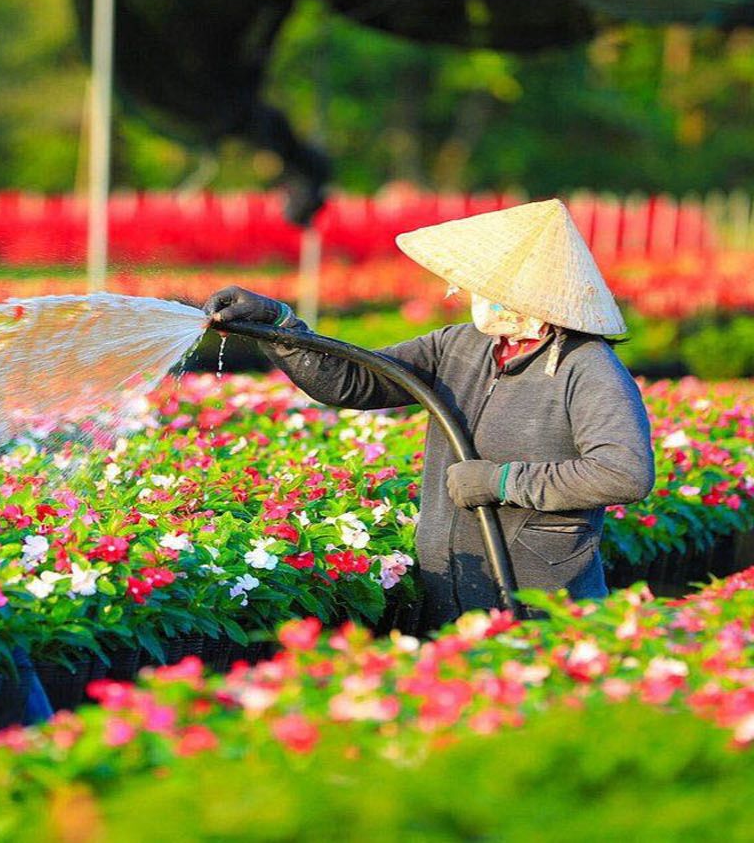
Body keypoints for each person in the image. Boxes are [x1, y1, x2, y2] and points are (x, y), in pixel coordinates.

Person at [204, 199, 655, 627]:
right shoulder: (459, 346)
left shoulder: (587, 366)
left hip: (541, 598)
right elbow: (353, 380)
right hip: (451, 585)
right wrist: (280, 325)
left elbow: (624, 472)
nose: (474, 293)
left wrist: (504, 482)